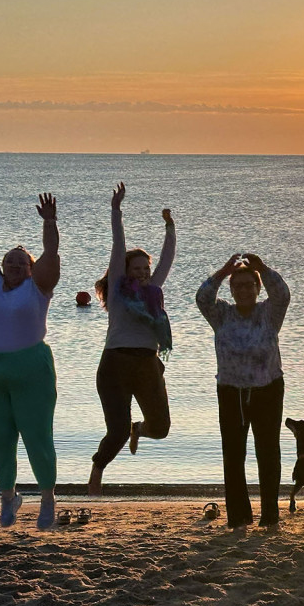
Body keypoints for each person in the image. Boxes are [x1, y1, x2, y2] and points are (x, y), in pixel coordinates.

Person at [0, 185, 60, 529]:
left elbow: (51, 254)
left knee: (36, 435)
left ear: (31, 269)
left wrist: (49, 223)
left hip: (31, 367)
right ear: (1, 265)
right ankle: (8, 498)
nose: (15, 264)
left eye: (22, 261)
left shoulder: (39, 287)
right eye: (10, 261)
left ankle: (47, 500)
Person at [88, 183, 175, 495]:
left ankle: (140, 429)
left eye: (144, 268)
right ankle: (97, 470)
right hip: (115, 364)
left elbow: (167, 260)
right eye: (135, 268)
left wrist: (170, 227)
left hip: (148, 364)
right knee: (116, 432)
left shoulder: (154, 291)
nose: (141, 272)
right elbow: (117, 244)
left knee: (161, 429)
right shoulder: (117, 293)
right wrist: (116, 210)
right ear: (124, 271)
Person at [197, 253, 290, 528]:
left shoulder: (269, 313)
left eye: (250, 285)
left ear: (258, 288)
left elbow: (282, 293)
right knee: (234, 454)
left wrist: (261, 267)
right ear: (231, 289)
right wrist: (224, 270)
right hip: (230, 391)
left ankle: (270, 516)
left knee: (268, 453)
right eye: (238, 285)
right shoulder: (222, 313)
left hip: (268, 389)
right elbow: (202, 298)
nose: (244, 290)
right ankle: (239, 517)